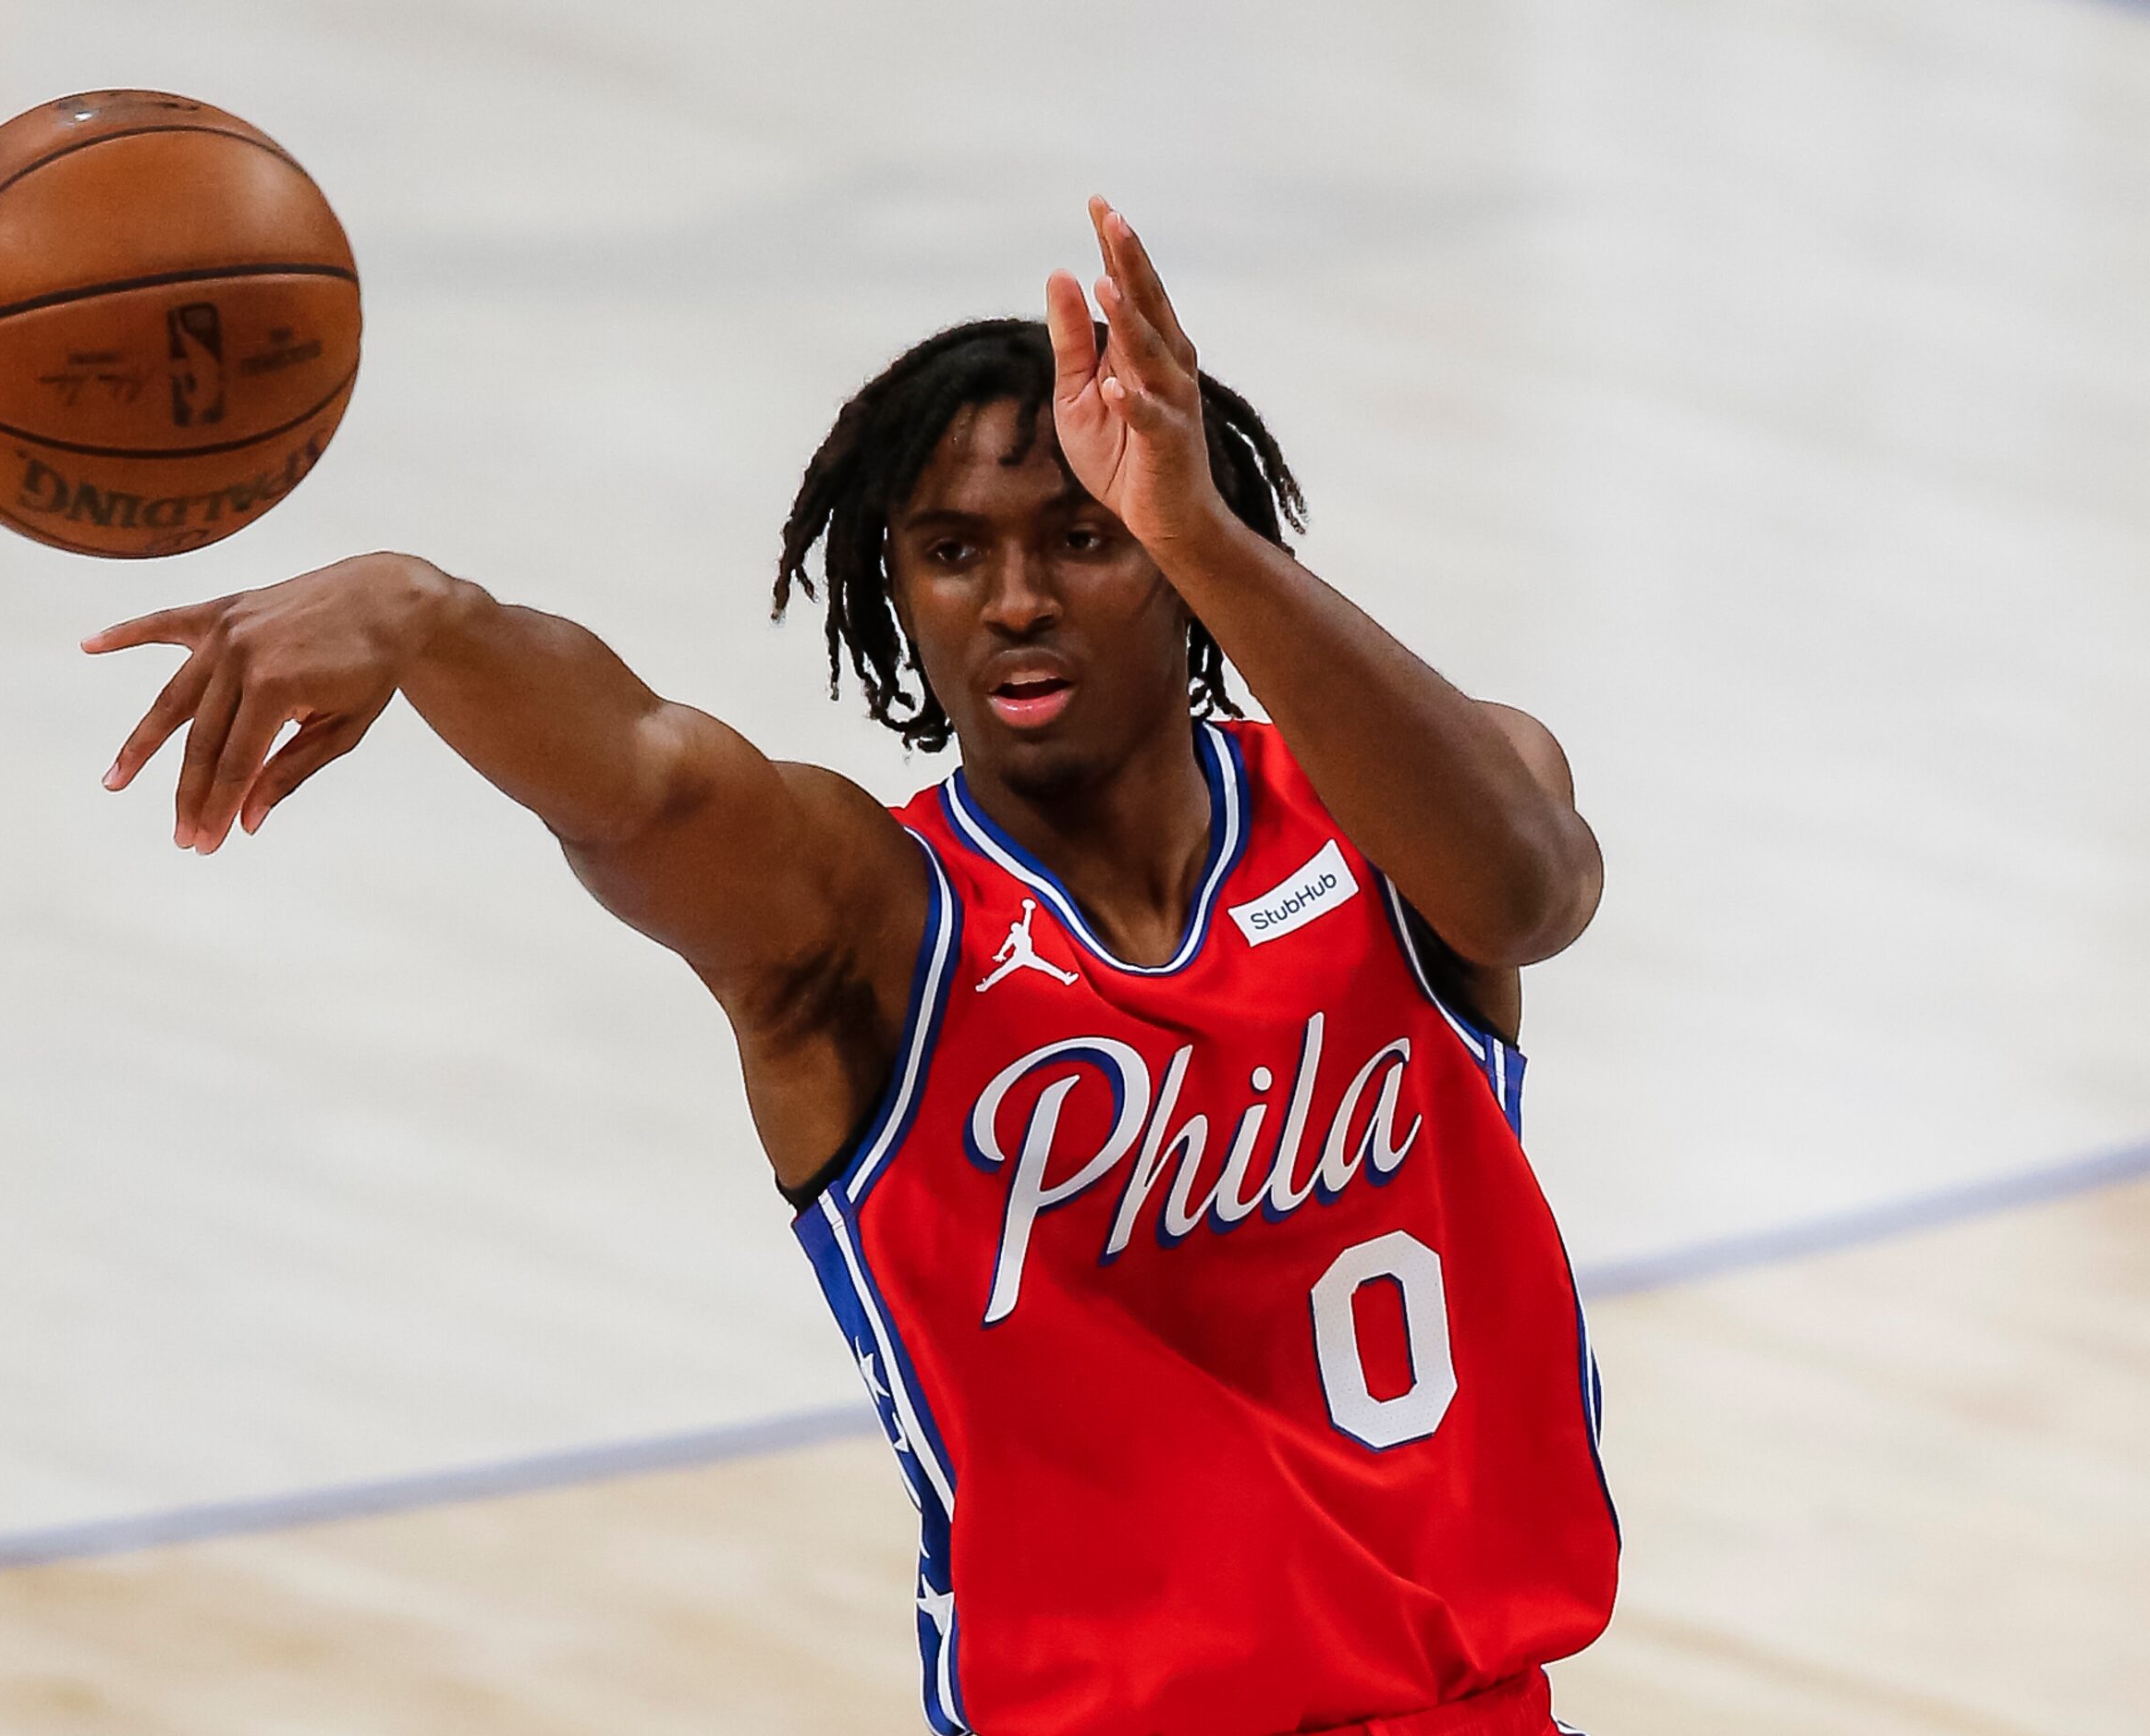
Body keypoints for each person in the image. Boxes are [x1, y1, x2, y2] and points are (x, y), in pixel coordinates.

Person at [87, 198, 1618, 1736]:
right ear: (896, 591)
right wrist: (431, 620)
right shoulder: (870, 921)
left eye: (1081, 539)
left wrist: (1192, 524)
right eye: (952, 553)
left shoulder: (1398, 813)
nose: (1014, 599)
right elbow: (637, 773)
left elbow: (1525, 891)